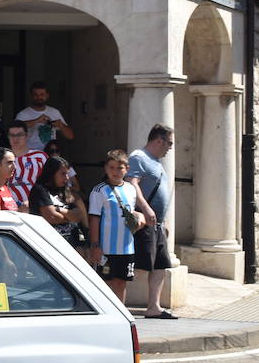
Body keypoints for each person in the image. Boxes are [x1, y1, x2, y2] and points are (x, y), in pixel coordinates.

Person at [128, 124, 176, 319]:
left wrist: (163, 221)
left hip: (157, 223)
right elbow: (132, 184)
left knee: (160, 264)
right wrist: (146, 208)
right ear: (159, 140)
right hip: (144, 221)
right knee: (139, 264)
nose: (170, 148)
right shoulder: (139, 157)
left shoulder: (156, 161)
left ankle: (153, 306)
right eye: (169, 143)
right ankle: (118, 301)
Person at [88, 149, 144, 302]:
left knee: (121, 282)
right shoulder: (99, 191)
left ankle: (121, 315)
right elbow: (94, 218)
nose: (115, 171)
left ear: (127, 169)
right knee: (105, 283)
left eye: (119, 168)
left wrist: (139, 218)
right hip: (106, 248)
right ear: (106, 168)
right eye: (111, 167)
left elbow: (131, 213)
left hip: (126, 247)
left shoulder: (131, 189)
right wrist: (95, 245)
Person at [30, 157, 89, 253]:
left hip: (72, 246)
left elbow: (78, 216)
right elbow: (52, 217)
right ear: (52, 173)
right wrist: (70, 216)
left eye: (67, 174)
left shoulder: (65, 190)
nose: (67, 177)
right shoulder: (40, 190)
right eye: (63, 174)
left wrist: (59, 210)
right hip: (49, 248)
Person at [15, 81, 75, 153]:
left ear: (47, 95)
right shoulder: (23, 114)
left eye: (42, 94)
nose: (39, 97)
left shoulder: (54, 112)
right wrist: (36, 121)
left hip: (51, 154)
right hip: (31, 155)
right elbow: (15, 131)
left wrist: (61, 126)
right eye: (36, 94)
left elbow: (70, 136)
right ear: (31, 96)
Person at [6, 120, 44, 212]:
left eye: (19, 135)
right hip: (9, 210)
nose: (15, 139)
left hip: (36, 208)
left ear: (26, 136)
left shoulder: (40, 157)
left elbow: (48, 182)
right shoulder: (2, 158)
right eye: (12, 135)